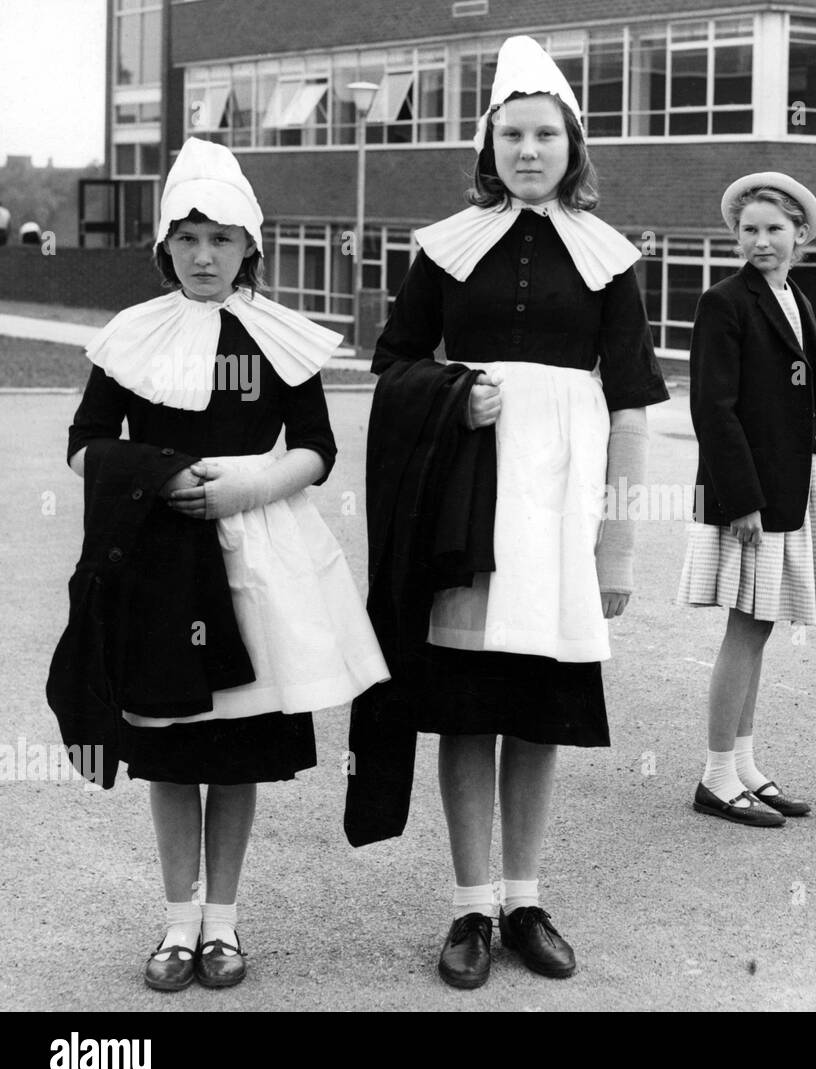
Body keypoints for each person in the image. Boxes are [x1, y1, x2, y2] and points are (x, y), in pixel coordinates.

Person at [349, 36, 668, 990]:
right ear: (489, 147)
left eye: (546, 134)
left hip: (563, 518)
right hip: (469, 507)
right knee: (467, 713)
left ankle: (525, 898)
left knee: (538, 712)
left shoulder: (611, 260)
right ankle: (469, 903)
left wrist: (617, 548)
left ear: (574, 144)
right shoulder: (447, 249)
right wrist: (453, 393)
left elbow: (632, 406)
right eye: (512, 134)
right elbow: (393, 365)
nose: (529, 150)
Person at [49, 137, 389, 991]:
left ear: (251, 249)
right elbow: (84, 446)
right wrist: (158, 476)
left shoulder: (275, 337)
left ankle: (224, 926)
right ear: (166, 247)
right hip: (162, 555)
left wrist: (252, 489)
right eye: (189, 238)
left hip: (257, 555)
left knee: (238, 747)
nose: (206, 256)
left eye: (224, 239)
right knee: (169, 747)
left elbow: (316, 447)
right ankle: (174, 923)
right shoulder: (133, 335)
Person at [677, 171, 816, 827]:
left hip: (792, 488)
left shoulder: (795, 300)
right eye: (750, 230)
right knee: (745, 626)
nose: (762, 240)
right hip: (749, 495)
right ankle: (717, 776)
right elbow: (712, 409)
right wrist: (740, 498)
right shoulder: (726, 303)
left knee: (761, 621)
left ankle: (743, 764)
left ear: (800, 235)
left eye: (775, 229)